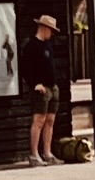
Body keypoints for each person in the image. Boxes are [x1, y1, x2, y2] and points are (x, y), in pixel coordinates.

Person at [22, 11, 68, 162]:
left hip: (52, 86)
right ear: (44, 28)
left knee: (50, 120)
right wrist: (34, 84)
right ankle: (34, 153)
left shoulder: (47, 45)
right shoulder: (31, 46)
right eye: (51, 30)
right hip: (41, 88)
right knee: (38, 120)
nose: (52, 34)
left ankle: (47, 153)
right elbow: (25, 68)